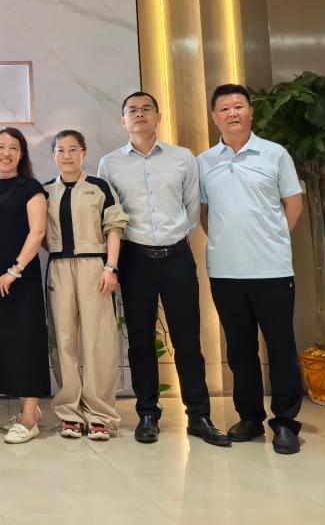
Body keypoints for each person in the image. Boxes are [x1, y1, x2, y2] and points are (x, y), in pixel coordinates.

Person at [98, 92, 230, 447]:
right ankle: (147, 414)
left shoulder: (182, 157)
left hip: (176, 257)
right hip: (134, 259)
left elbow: (192, 208)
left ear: (158, 117)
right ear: (123, 120)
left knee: (188, 339)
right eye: (132, 111)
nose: (140, 115)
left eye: (146, 109)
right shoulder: (109, 164)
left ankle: (199, 416)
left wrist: (173, 239)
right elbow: (109, 215)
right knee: (141, 341)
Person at [198, 84, 305, 455]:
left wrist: (273, 240)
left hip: (271, 270)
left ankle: (286, 422)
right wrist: (226, 242)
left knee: (280, 346)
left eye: (239, 106)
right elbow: (205, 213)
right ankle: (249, 417)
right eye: (224, 108)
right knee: (240, 348)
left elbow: (293, 204)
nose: (232, 113)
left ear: (250, 112)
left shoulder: (275, 154)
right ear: (214, 117)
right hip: (225, 271)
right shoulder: (204, 161)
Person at [45, 129, 127, 441]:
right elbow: (40, 233)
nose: (66, 155)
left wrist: (111, 266)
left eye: (73, 149)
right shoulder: (45, 191)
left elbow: (114, 228)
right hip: (59, 268)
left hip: (95, 267)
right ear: (53, 155)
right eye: (60, 150)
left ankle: (100, 415)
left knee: (98, 339)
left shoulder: (99, 187)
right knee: (63, 339)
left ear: (84, 152)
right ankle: (69, 413)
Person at [0, 127, 50, 444]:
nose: (6, 153)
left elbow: (37, 232)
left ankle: (29, 419)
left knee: (26, 342)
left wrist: (14, 271)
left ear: (22, 154)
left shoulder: (30, 187)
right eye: (1, 146)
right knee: (3, 344)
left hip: (21, 277)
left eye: (13, 148)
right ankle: (27, 410)